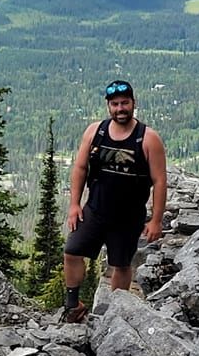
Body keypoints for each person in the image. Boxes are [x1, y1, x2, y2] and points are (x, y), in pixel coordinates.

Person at [61, 78, 167, 323]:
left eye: (125, 103)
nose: (121, 109)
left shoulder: (148, 139)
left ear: (133, 104)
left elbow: (160, 181)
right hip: (95, 210)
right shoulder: (95, 132)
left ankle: (115, 316)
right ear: (109, 106)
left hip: (128, 218)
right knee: (72, 251)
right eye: (115, 104)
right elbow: (80, 168)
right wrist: (75, 205)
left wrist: (156, 220)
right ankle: (73, 304)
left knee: (120, 265)